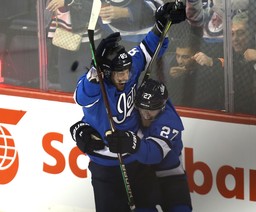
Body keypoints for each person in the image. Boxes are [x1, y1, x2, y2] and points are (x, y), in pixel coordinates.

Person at [69, 2, 186, 211]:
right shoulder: (96, 86)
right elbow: (81, 97)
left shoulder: (129, 68)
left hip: (136, 160)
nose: (126, 76)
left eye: (127, 72)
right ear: (105, 73)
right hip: (104, 168)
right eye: (119, 73)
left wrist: (161, 25)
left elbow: (148, 47)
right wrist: (96, 72)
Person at [105, 79, 192, 211]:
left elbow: (154, 154)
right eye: (142, 108)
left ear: (162, 107)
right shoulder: (132, 113)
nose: (145, 114)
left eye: (151, 110)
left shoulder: (169, 121)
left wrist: (131, 143)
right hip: (142, 179)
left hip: (170, 178)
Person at [154, 33, 224, 110]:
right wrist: (171, 78)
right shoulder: (169, 64)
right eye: (177, 56)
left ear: (196, 55)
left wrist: (211, 62)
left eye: (185, 57)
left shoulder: (207, 67)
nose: (180, 61)